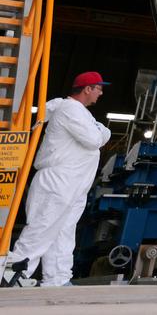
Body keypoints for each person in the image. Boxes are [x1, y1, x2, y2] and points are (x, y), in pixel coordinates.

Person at [2, 72, 112, 288]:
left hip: (72, 182)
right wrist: (103, 130)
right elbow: (93, 139)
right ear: (87, 88)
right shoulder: (71, 109)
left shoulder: (78, 112)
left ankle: (57, 279)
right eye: (98, 87)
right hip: (58, 180)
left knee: (63, 231)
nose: (101, 92)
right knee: (41, 228)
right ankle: (11, 275)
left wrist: (99, 130)